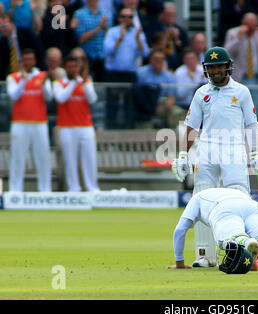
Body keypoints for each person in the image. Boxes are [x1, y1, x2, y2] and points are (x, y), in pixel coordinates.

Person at [171, 46, 258, 267]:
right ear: (206, 70)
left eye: (219, 66)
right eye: (211, 67)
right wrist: (183, 154)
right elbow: (191, 126)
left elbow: (251, 124)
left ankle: (244, 251)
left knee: (238, 197)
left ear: (228, 67)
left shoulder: (242, 91)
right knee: (203, 200)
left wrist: (256, 153)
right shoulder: (201, 93)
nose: (215, 71)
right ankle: (205, 255)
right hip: (207, 149)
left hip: (234, 149)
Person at [168, 188, 258, 271]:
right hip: (251, 205)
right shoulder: (236, 192)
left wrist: (179, 262)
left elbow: (180, 230)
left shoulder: (196, 198)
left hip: (223, 208)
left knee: (231, 237)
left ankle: (246, 245)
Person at [6, 48, 53, 192]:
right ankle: (15, 190)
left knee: (43, 157)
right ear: (21, 62)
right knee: (18, 157)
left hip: (39, 123)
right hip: (20, 123)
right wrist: (23, 80)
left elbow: (49, 97)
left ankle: (45, 190)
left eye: (30, 59)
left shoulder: (43, 76)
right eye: (25, 59)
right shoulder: (13, 77)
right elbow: (14, 95)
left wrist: (44, 84)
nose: (28, 62)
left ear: (34, 60)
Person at [53, 55, 99, 192]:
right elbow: (61, 98)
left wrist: (84, 82)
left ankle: (92, 187)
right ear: (65, 68)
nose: (73, 69)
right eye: (70, 67)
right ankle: (74, 188)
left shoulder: (86, 81)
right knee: (70, 159)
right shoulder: (59, 83)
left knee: (90, 158)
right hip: (66, 127)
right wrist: (73, 82)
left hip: (85, 126)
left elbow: (92, 99)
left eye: (75, 66)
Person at [104, 7, 150, 129]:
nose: (127, 19)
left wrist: (138, 39)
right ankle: (110, 129)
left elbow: (144, 53)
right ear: (119, 18)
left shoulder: (138, 33)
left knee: (129, 104)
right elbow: (108, 51)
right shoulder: (112, 32)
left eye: (130, 17)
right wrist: (120, 37)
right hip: (114, 73)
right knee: (112, 103)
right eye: (124, 16)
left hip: (130, 73)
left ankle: (129, 129)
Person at [224, 12, 258, 105]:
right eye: (248, 25)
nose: (250, 29)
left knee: (253, 108)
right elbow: (227, 54)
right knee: (237, 106)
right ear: (243, 23)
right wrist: (238, 38)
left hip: (256, 78)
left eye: (253, 26)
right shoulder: (232, 33)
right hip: (239, 77)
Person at [133, 48, 184, 128]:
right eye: (156, 58)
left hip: (161, 105)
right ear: (150, 60)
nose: (158, 61)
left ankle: (176, 135)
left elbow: (171, 97)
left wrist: (168, 103)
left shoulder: (169, 76)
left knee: (177, 112)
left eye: (161, 59)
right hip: (144, 104)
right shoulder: (141, 73)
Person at [71, 0, 113, 81]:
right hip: (87, 56)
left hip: (103, 56)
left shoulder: (106, 14)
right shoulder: (79, 14)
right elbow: (81, 39)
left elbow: (110, 36)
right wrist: (99, 28)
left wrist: (105, 27)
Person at [0, 12, 45, 80]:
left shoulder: (27, 34)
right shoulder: (2, 42)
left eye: (4, 26)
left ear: (12, 24)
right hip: (12, 74)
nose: (1, 30)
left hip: (32, 70)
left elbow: (40, 53)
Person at [154, 2, 189, 70]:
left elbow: (186, 50)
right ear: (162, 15)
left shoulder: (181, 31)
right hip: (161, 65)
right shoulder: (155, 29)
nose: (171, 17)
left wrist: (177, 40)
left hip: (178, 66)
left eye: (173, 14)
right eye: (169, 14)